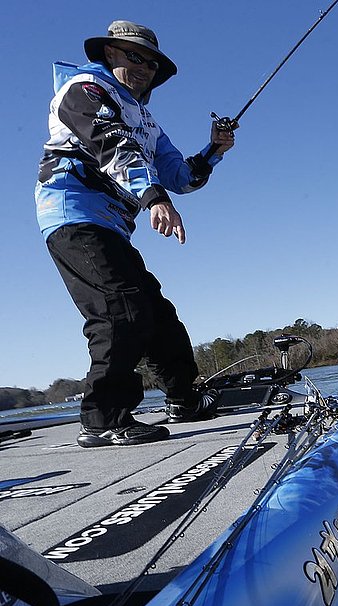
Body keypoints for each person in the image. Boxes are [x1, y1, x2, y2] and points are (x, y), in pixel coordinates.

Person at [35, 21, 236, 448]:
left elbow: (181, 176)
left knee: (156, 313)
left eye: (151, 62)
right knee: (119, 310)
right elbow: (110, 144)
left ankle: (183, 398)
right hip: (72, 214)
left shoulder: (147, 120)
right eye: (133, 56)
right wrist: (152, 197)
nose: (144, 67)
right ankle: (103, 418)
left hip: (112, 228)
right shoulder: (84, 89)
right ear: (110, 53)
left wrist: (214, 149)